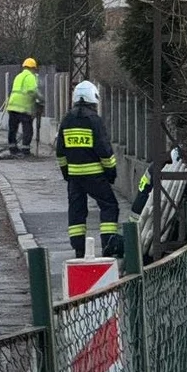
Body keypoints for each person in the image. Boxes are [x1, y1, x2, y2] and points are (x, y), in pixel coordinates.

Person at [55, 80, 121, 258]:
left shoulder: (67, 119)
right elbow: (104, 151)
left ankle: (79, 250)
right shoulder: (94, 120)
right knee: (110, 206)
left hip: (74, 177)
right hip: (95, 176)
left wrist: (66, 174)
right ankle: (108, 245)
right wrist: (111, 172)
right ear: (93, 99)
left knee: (76, 211)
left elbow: (60, 152)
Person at [6, 58, 42, 156]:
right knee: (27, 129)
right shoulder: (31, 76)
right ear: (33, 68)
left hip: (12, 106)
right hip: (23, 108)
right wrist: (40, 99)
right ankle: (25, 150)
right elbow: (32, 90)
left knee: (13, 129)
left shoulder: (18, 76)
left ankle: (12, 149)